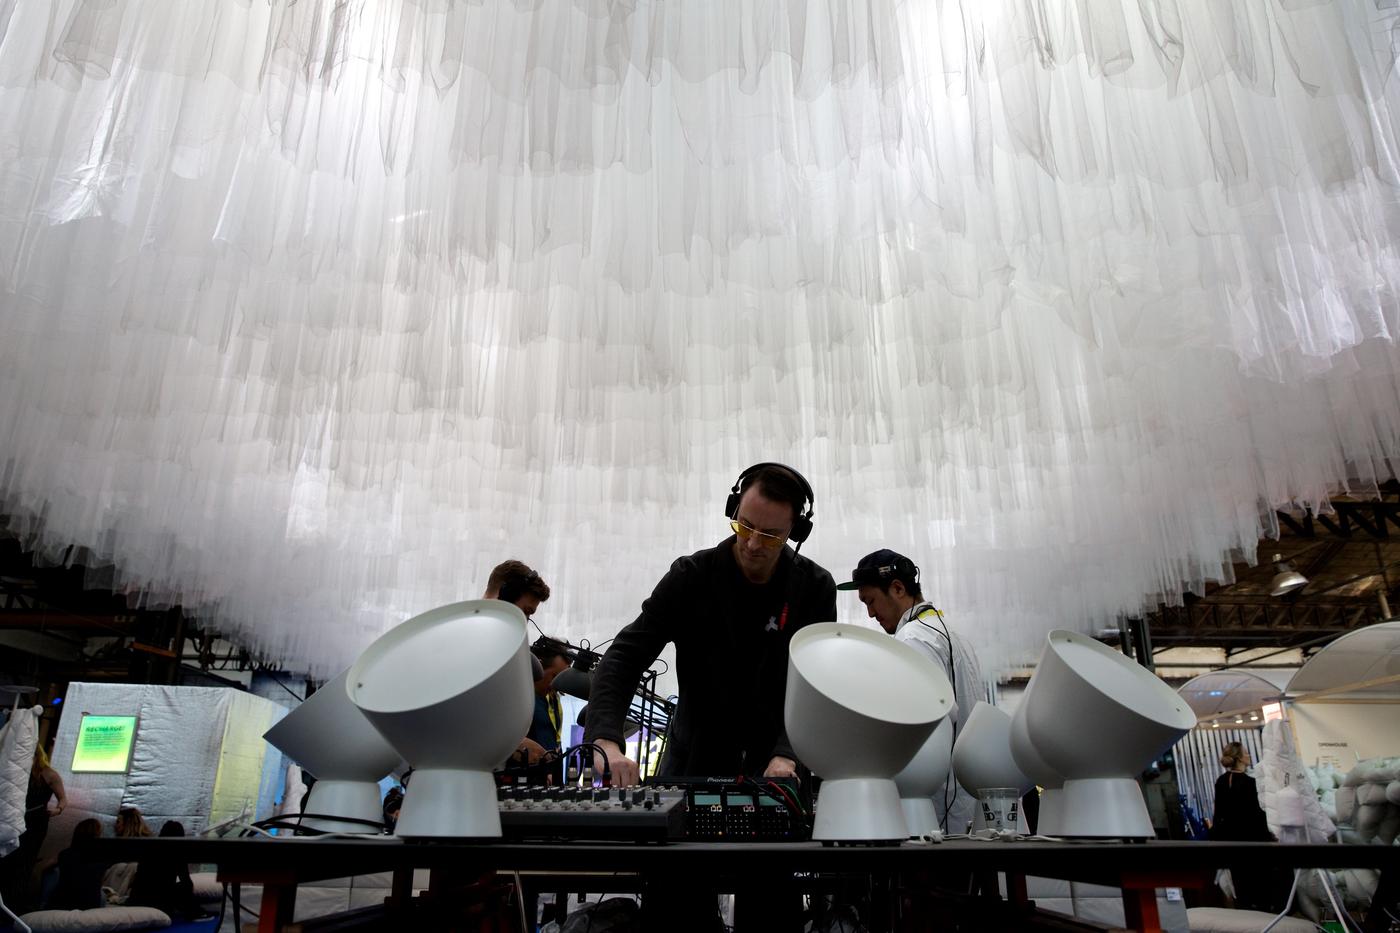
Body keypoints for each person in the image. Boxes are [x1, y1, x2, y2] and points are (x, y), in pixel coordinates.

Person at [585, 462, 837, 787]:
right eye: (745, 527)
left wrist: (788, 753)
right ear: (733, 510)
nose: (753, 545)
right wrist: (606, 739)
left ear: (796, 532)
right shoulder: (690, 578)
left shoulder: (814, 588)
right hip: (692, 759)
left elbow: (816, 682)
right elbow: (624, 658)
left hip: (778, 766)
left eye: (771, 537)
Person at [837, 549, 985, 833]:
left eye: (871, 601)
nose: (870, 614)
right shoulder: (954, 635)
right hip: (966, 798)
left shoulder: (912, 638)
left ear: (898, 588)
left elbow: (926, 723)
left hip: (934, 806)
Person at [484, 560, 557, 766]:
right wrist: (512, 743)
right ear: (504, 594)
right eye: (525, 611)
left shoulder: (500, 646)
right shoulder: (464, 639)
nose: (525, 621)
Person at [1210, 742, 1277, 909]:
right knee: (1261, 885)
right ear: (1239, 758)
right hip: (1252, 842)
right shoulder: (1249, 783)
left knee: (1241, 886)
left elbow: (1218, 814)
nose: (1249, 755)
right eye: (1246, 753)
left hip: (1231, 843)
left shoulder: (1221, 781)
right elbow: (1257, 815)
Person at [2, 744, 67, 907]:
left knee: (23, 861)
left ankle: (12, 902)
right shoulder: (18, 772)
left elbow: (63, 799)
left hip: (35, 821)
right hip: (16, 817)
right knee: (8, 858)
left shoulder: (49, 774)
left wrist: (57, 810)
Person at [128, 821, 205, 920]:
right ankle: (194, 913)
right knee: (183, 887)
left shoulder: (148, 849)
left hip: (137, 899)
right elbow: (186, 882)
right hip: (161, 903)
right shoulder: (177, 854)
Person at [46, 819, 106, 911]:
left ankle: (40, 905)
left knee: (51, 874)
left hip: (63, 903)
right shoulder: (101, 857)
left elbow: (47, 868)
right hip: (90, 905)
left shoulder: (65, 854)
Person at [527, 638, 571, 754]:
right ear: (538, 666)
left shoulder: (552, 699)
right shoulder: (519, 699)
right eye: (554, 676)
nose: (557, 685)